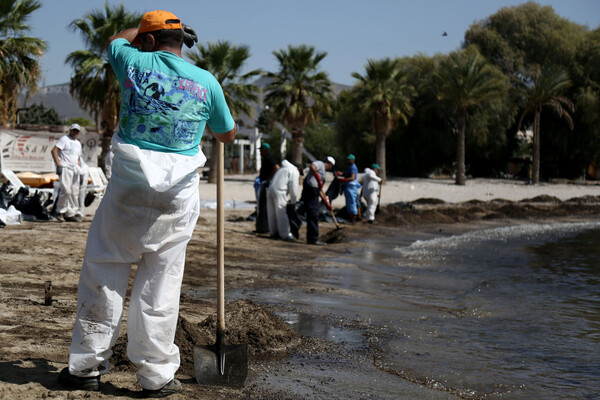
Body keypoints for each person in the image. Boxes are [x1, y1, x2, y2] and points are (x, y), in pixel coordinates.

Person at [57, 10, 236, 398]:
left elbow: (114, 40)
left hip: (128, 190)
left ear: (149, 42)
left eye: (143, 40)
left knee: (105, 269)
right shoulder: (206, 81)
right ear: (181, 42)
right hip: (177, 199)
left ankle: (86, 367)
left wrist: (140, 34)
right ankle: (156, 376)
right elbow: (227, 134)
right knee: (162, 284)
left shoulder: (133, 60)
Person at [51, 123, 83, 222]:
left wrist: (80, 170)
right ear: (70, 130)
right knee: (66, 190)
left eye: (77, 131)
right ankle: (60, 211)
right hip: (65, 167)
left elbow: (78, 158)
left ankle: (71, 213)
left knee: (74, 192)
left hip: (75, 169)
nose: (75, 133)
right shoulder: (64, 139)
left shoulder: (78, 143)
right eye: (73, 130)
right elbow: (54, 150)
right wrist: (58, 164)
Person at [301, 156, 335, 245]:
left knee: (313, 214)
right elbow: (312, 167)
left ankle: (312, 238)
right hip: (310, 191)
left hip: (315, 192)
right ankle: (313, 239)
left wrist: (326, 202)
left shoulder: (323, 173)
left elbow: (320, 190)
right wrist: (318, 178)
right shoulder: (320, 164)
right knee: (313, 214)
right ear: (330, 164)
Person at [266, 159, 300, 240]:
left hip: (270, 190)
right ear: (299, 169)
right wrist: (293, 201)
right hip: (280, 191)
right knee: (281, 213)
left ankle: (273, 232)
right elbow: (293, 187)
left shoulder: (282, 168)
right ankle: (284, 234)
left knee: (272, 213)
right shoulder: (294, 171)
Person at [255, 143, 279, 233]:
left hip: (266, 184)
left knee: (263, 205)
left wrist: (269, 178)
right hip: (265, 182)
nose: (260, 151)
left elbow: (276, 167)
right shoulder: (266, 158)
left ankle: (263, 227)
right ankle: (262, 227)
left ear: (265, 150)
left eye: (261, 150)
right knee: (262, 205)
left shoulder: (269, 158)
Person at [337, 154, 361, 223]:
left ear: (353, 160)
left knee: (351, 202)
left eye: (349, 159)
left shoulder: (353, 167)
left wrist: (344, 180)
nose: (348, 160)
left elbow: (352, 177)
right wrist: (341, 174)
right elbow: (346, 174)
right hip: (348, 186)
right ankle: (353, 216)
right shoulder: (348, 166)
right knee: (350, 201)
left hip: (351, 186)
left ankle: (353, 217)